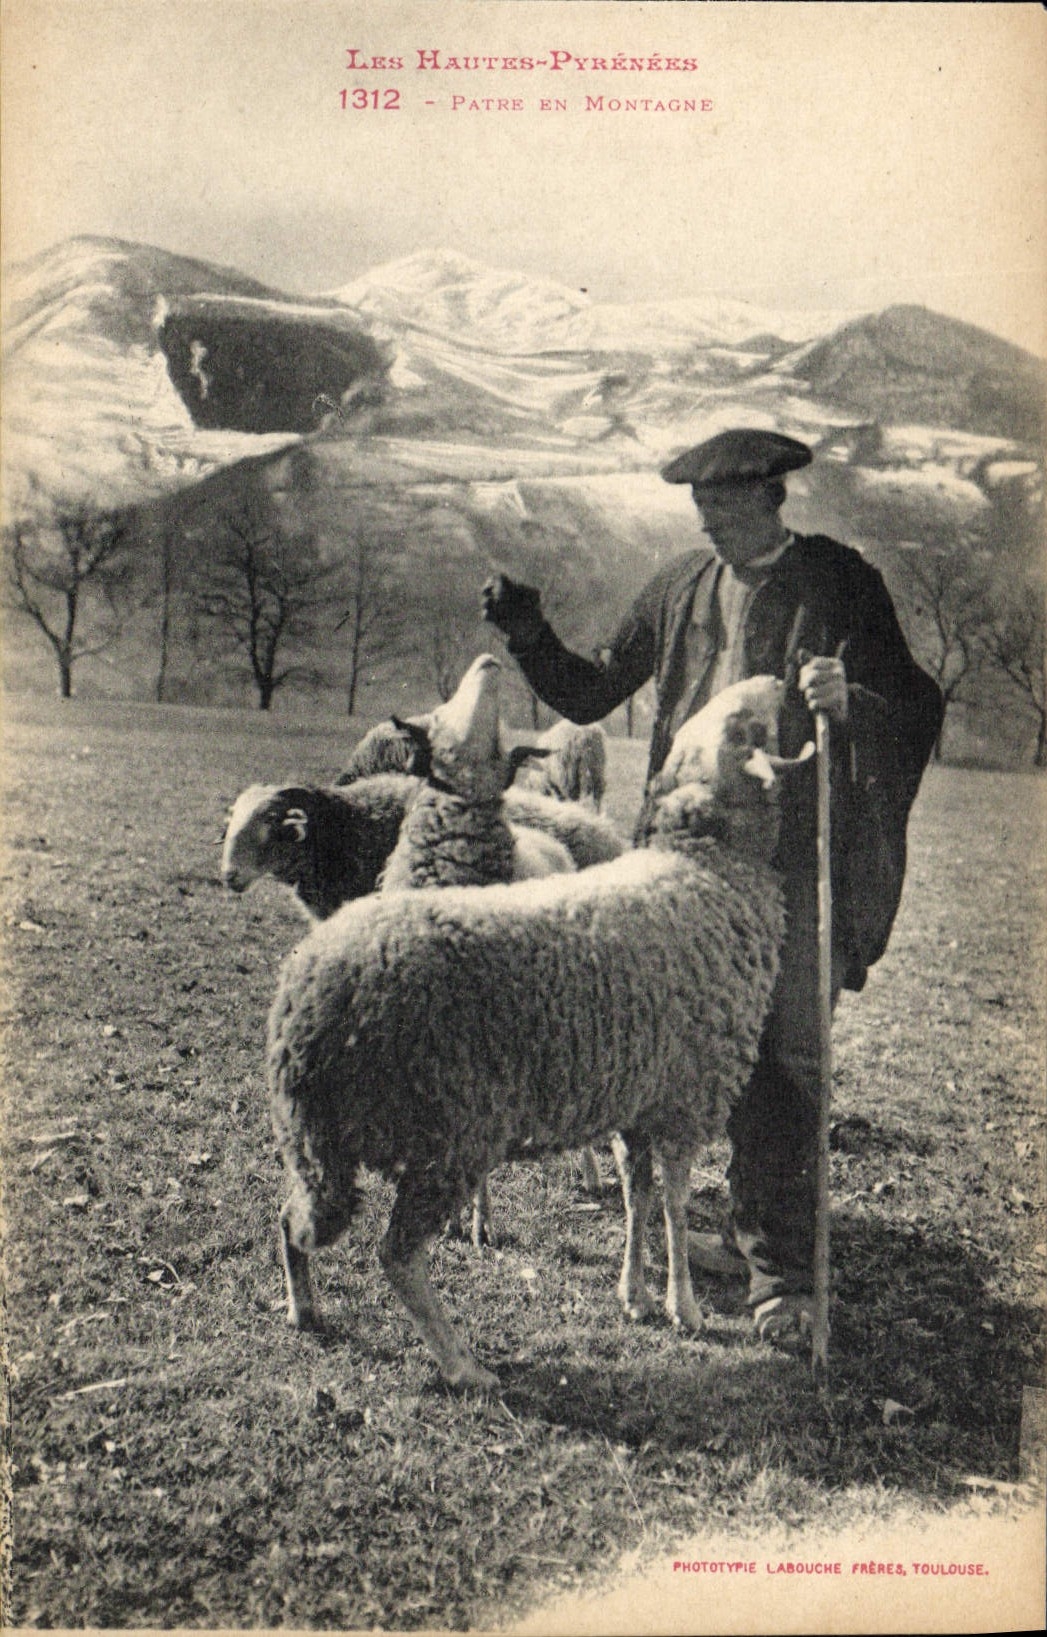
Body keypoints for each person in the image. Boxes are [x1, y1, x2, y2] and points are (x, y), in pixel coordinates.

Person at [482, 427, 943, 1346]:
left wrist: (854, 699)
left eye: (730, 512)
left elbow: (918, 705)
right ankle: (728, 1220)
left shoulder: (837, 583)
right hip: (686, 850)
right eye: (703, 513)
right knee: (688, 1048)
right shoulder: (682, 584)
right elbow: (589, 691)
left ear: (773, 501)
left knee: (782, 1053)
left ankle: (781, 1274)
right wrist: (529, 633)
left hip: (789, 857)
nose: (716, 529)